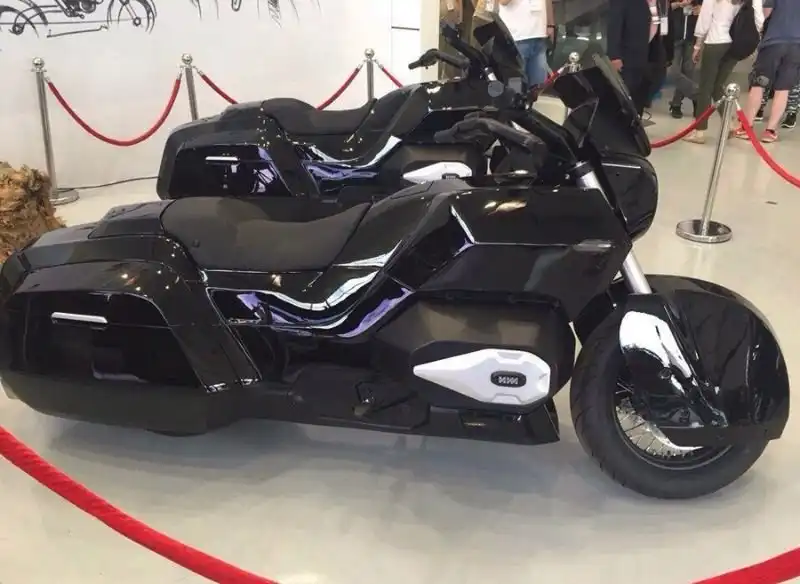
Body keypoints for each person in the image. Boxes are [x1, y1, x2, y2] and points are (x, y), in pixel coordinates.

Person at [683, 0, 765, 144]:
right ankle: (730, 123)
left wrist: (697, 46)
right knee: (717, 86)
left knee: (705, 87)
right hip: (735, 44)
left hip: (715, 41)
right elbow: (759, 20)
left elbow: (705, 20)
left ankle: (699, 131)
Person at [735, 0, 800, 141]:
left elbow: (766, 13)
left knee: (759, 84)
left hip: (773, 42)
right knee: (783, 89)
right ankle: (770, 131)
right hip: (796, 46)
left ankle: (747, 128)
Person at [607, 0, 670, 116]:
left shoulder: (661, 2)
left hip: (652, 54)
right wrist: (614, 55)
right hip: (628, 55)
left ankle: (636, 121)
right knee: (626, 95)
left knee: (643, 93)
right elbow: (614, 26)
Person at [497, 0, 555, 86]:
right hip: (516, 38)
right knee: (516, 87)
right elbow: (503, 2)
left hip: (539, 35)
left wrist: (550, 24)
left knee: (538, 86)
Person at [669, 0, 703, 118]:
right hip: (673, 37)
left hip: (692, 36)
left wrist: (700, 8)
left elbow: (707, 8)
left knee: (688, 71)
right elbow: (663, 8)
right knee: (673, 71)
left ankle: (676, 103)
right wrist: (679, 4)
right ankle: (698, 95)